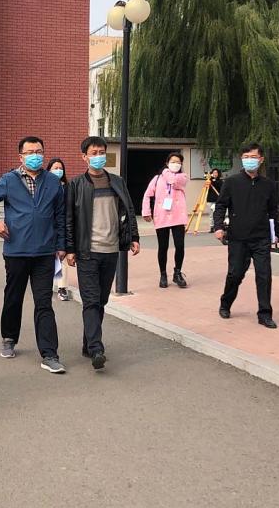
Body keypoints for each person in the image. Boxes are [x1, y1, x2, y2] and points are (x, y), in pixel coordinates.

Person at [0, 136, 66, 373]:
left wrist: (61, 245)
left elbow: (60, 215)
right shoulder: (9, 180)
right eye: (30, 152)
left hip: (44, 253)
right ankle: (9, 337)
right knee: (13, 297)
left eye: (39, 151)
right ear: (21, 156)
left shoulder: (53, 182)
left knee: (44, 303)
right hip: (16, 251)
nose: (35, 156)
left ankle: (49, 354)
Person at [65, 136, 140, 370]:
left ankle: (88, 344)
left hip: (111, 250)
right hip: (87, 251)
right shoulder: (76, 185)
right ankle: (97, 348)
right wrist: (70, 249)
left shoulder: (117, 182)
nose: (98, 156)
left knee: (101, 301)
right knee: (90, 300)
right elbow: (69, 219)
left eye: (101, 152)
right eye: (94, 153)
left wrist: (134, 237)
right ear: (84, 157)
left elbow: (129, 209)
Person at [212, 143, 279, 329]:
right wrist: (218, 227)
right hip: (238, 237)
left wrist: (276, 233)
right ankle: (226, 303)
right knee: (235, 274)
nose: (250, 160)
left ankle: (265, 314)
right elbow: (220, 206)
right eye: (246, 157)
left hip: (261, 238)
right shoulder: (232, 182)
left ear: (261, 159)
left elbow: (273, 211)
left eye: (253, 157)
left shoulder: (268, 185)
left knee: (264, 275)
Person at [142, 151, 190, 288]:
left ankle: (177, 273)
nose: (175, 164)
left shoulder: (183, 177)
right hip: (162, 215)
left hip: (178, 216)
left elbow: (174, 181)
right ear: (167, 163)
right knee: (163, 247)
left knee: (179, 245)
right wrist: (146, 211)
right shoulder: (157, 179)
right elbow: (147, 195)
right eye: (173, 162)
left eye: (178, 162)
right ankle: (163, 274)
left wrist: (166, 172)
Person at [47, 158, 72, 301]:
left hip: (64, 226)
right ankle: (48, 285)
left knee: (62, 257)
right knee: (49, 258)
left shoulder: (67, 187)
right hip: (48, 227)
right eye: (55, 168)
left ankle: (62, 288)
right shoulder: (44, 187)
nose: (58, 170)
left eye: (60, 168)